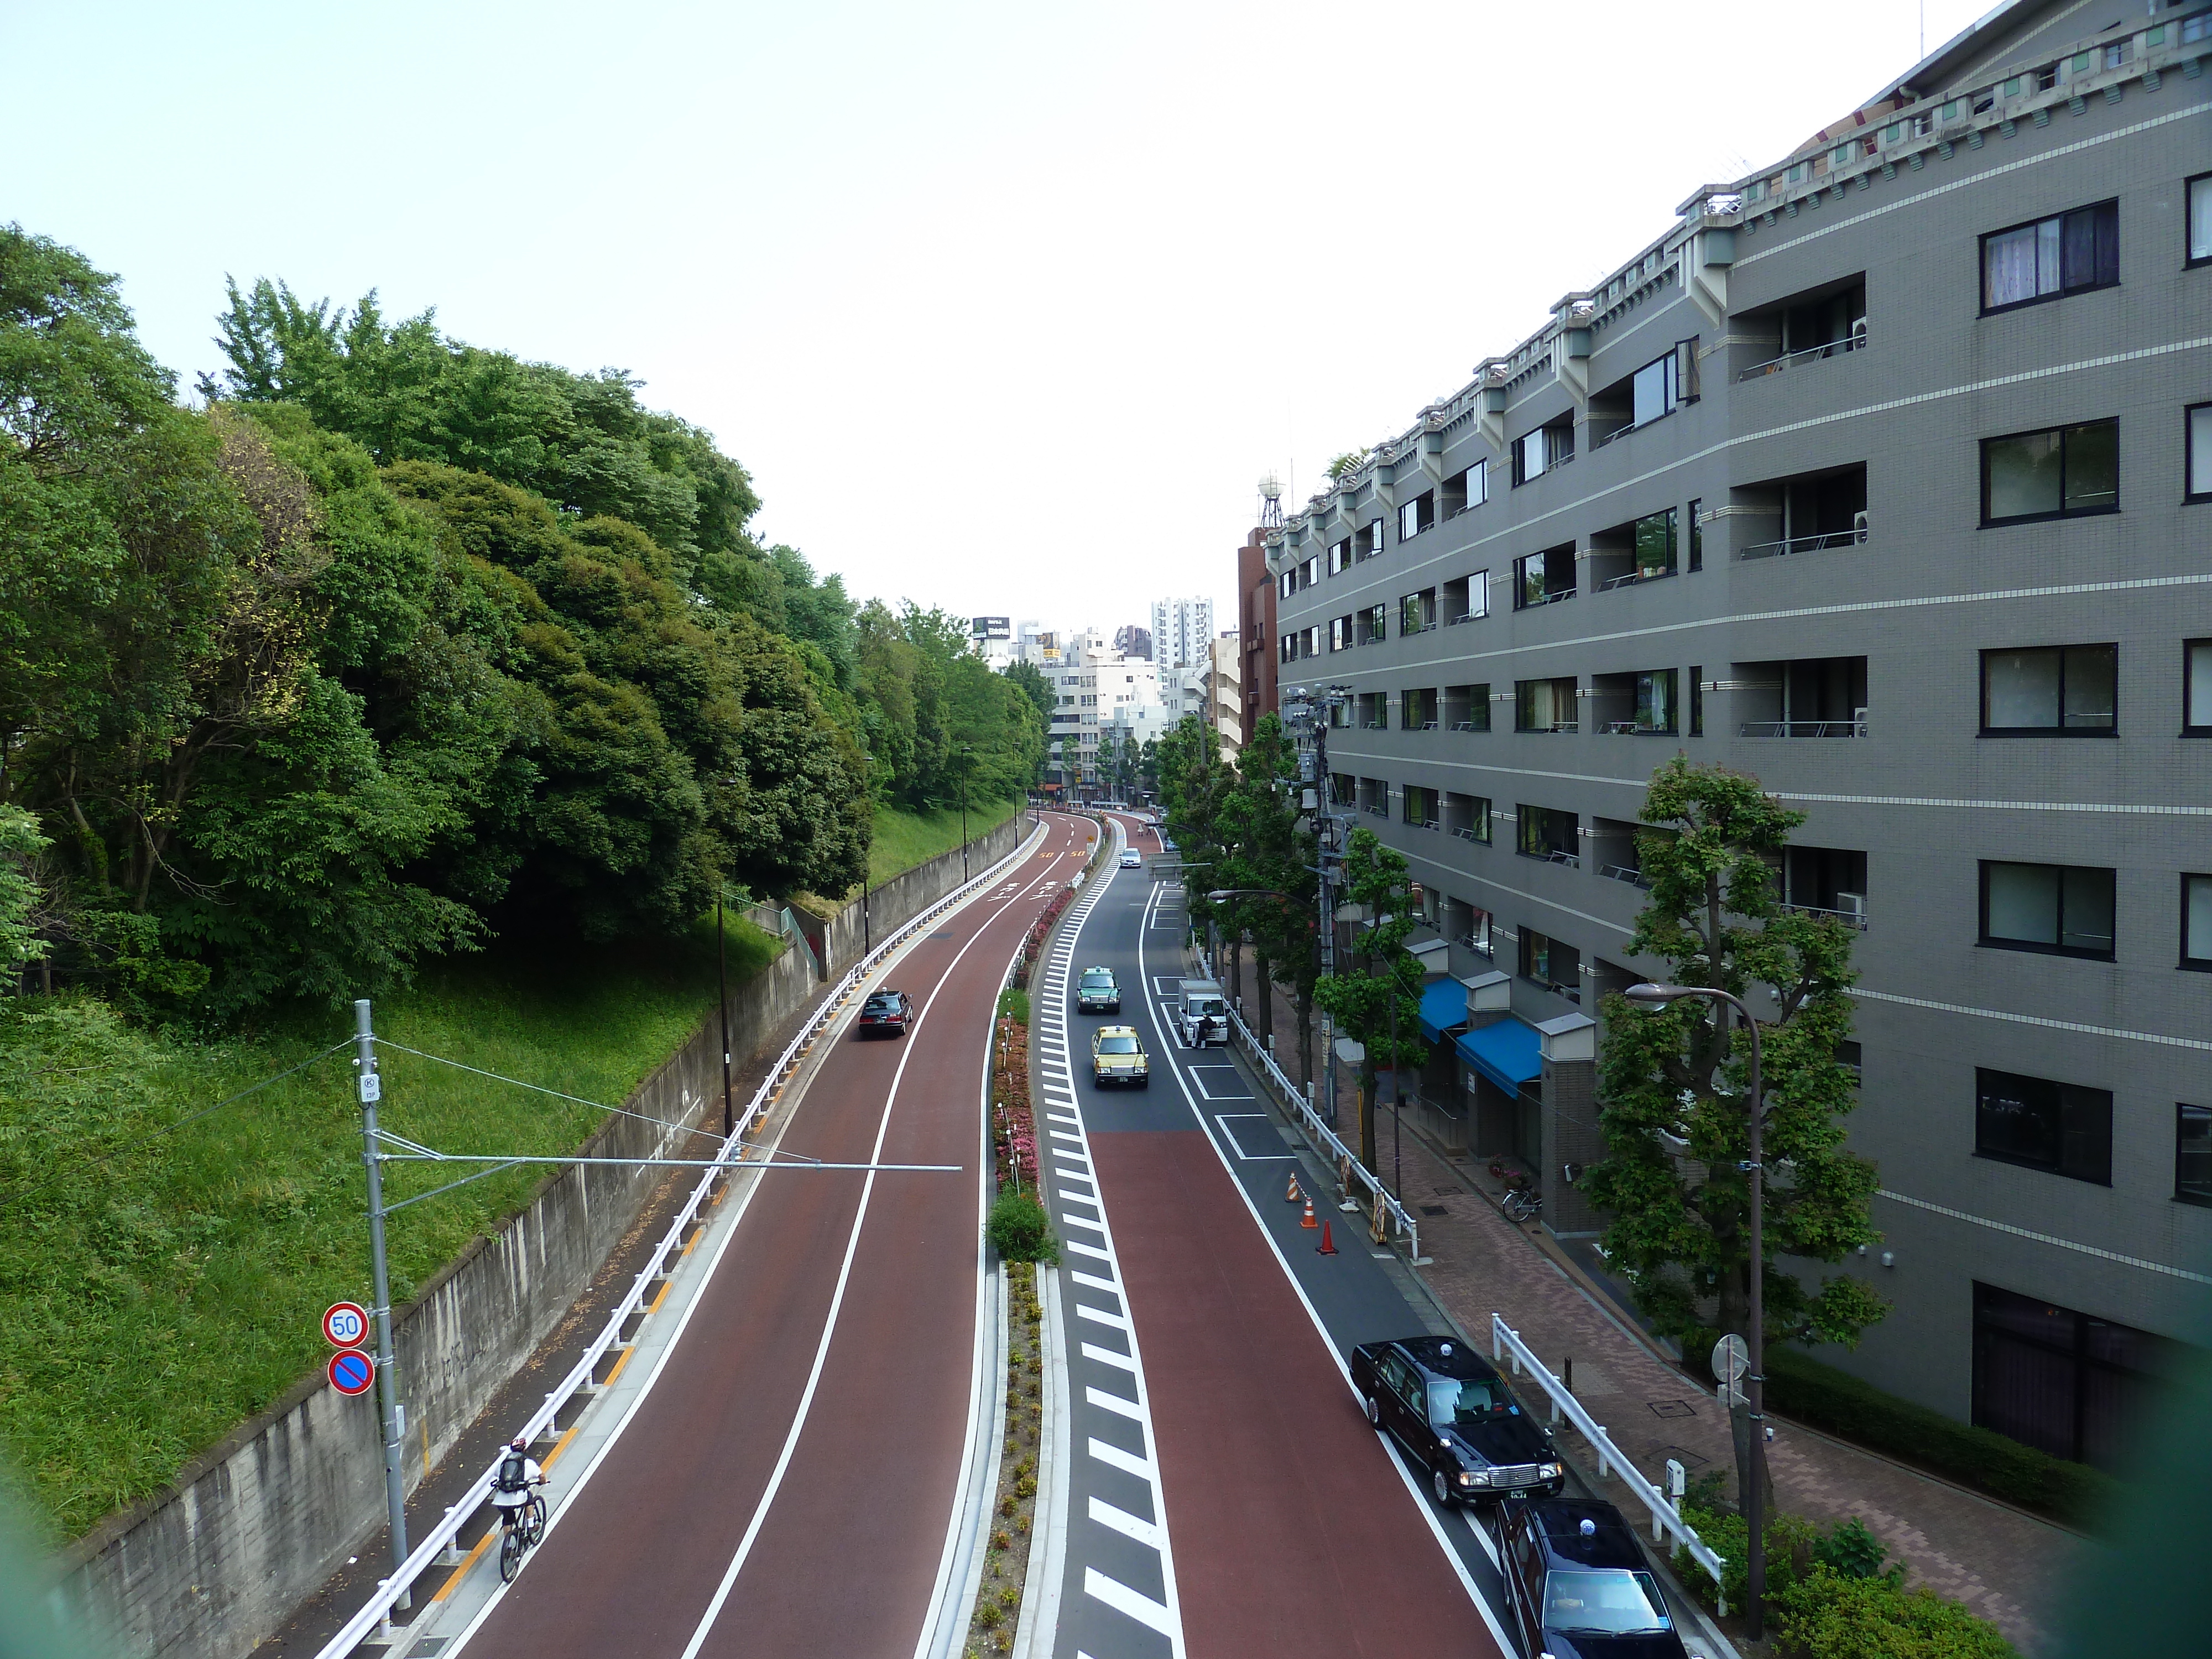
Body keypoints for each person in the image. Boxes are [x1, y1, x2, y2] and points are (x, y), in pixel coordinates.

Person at [490, 1437, 546, 1532]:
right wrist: (543, 1481)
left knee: (507, 1520)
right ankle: (531, 1526)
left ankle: (508, 1544)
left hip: (502, 1498)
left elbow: (496, 1474)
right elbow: (542, 1476)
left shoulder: (503, 1463)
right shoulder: (528, 1463)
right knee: (530, 1499)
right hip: (519, 1496)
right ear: (524, 1449)